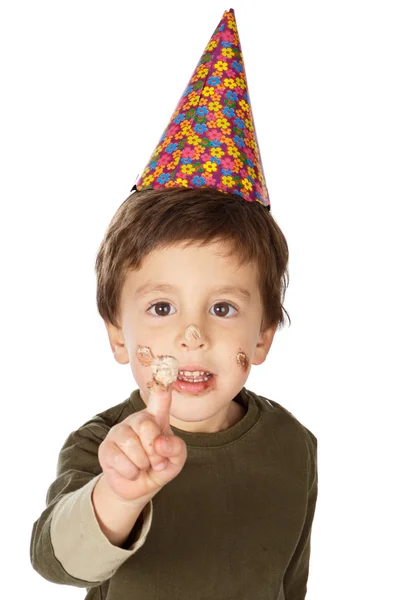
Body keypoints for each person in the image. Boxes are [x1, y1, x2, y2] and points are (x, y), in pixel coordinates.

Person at [30, 9, 318, 600]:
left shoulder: (295, 446)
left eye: (222, 309)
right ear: (116, 334)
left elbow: (291, 582)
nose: (191, 336)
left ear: (262, 337)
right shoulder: (104, 444)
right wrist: (119, 495)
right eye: (162, 309)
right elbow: (58, 561)